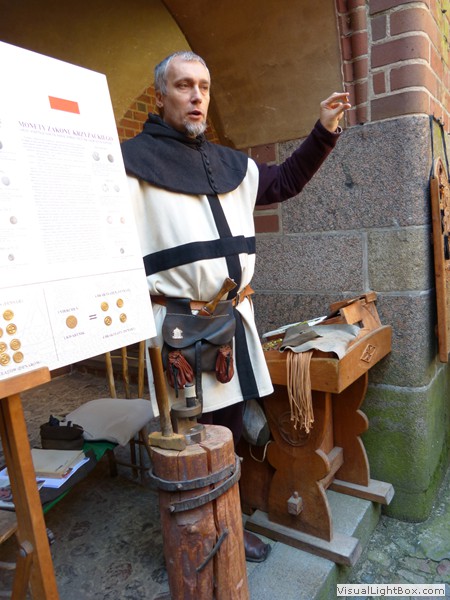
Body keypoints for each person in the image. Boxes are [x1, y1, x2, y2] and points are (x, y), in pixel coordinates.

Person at [121, 51, 350, 562]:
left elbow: (285, 181)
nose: (196, 96)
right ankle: (195, 536)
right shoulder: (128, 164)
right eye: (183, 85)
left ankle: (229, 522)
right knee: (189, 437)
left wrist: (323, 130)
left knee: (229, 429)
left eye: (203, 86)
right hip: (178, 326)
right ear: (160, 96)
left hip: (232, 320)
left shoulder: (231, 164)